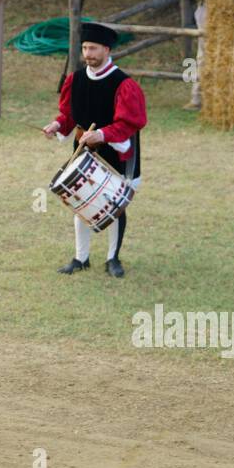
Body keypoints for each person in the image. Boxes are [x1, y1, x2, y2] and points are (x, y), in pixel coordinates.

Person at [42, 22, 147, 278]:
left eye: (94, 48)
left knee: (115, 205)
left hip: (117, 154)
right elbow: (69, 115)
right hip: (85, 153)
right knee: (80, 201)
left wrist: (101, 134)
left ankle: (113, 258)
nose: (88, 53)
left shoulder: (124, 84)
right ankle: (81, 258)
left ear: (107, 50)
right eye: (85, 48)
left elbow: (130, 123)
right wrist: (58, 124)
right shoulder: (75, 80)